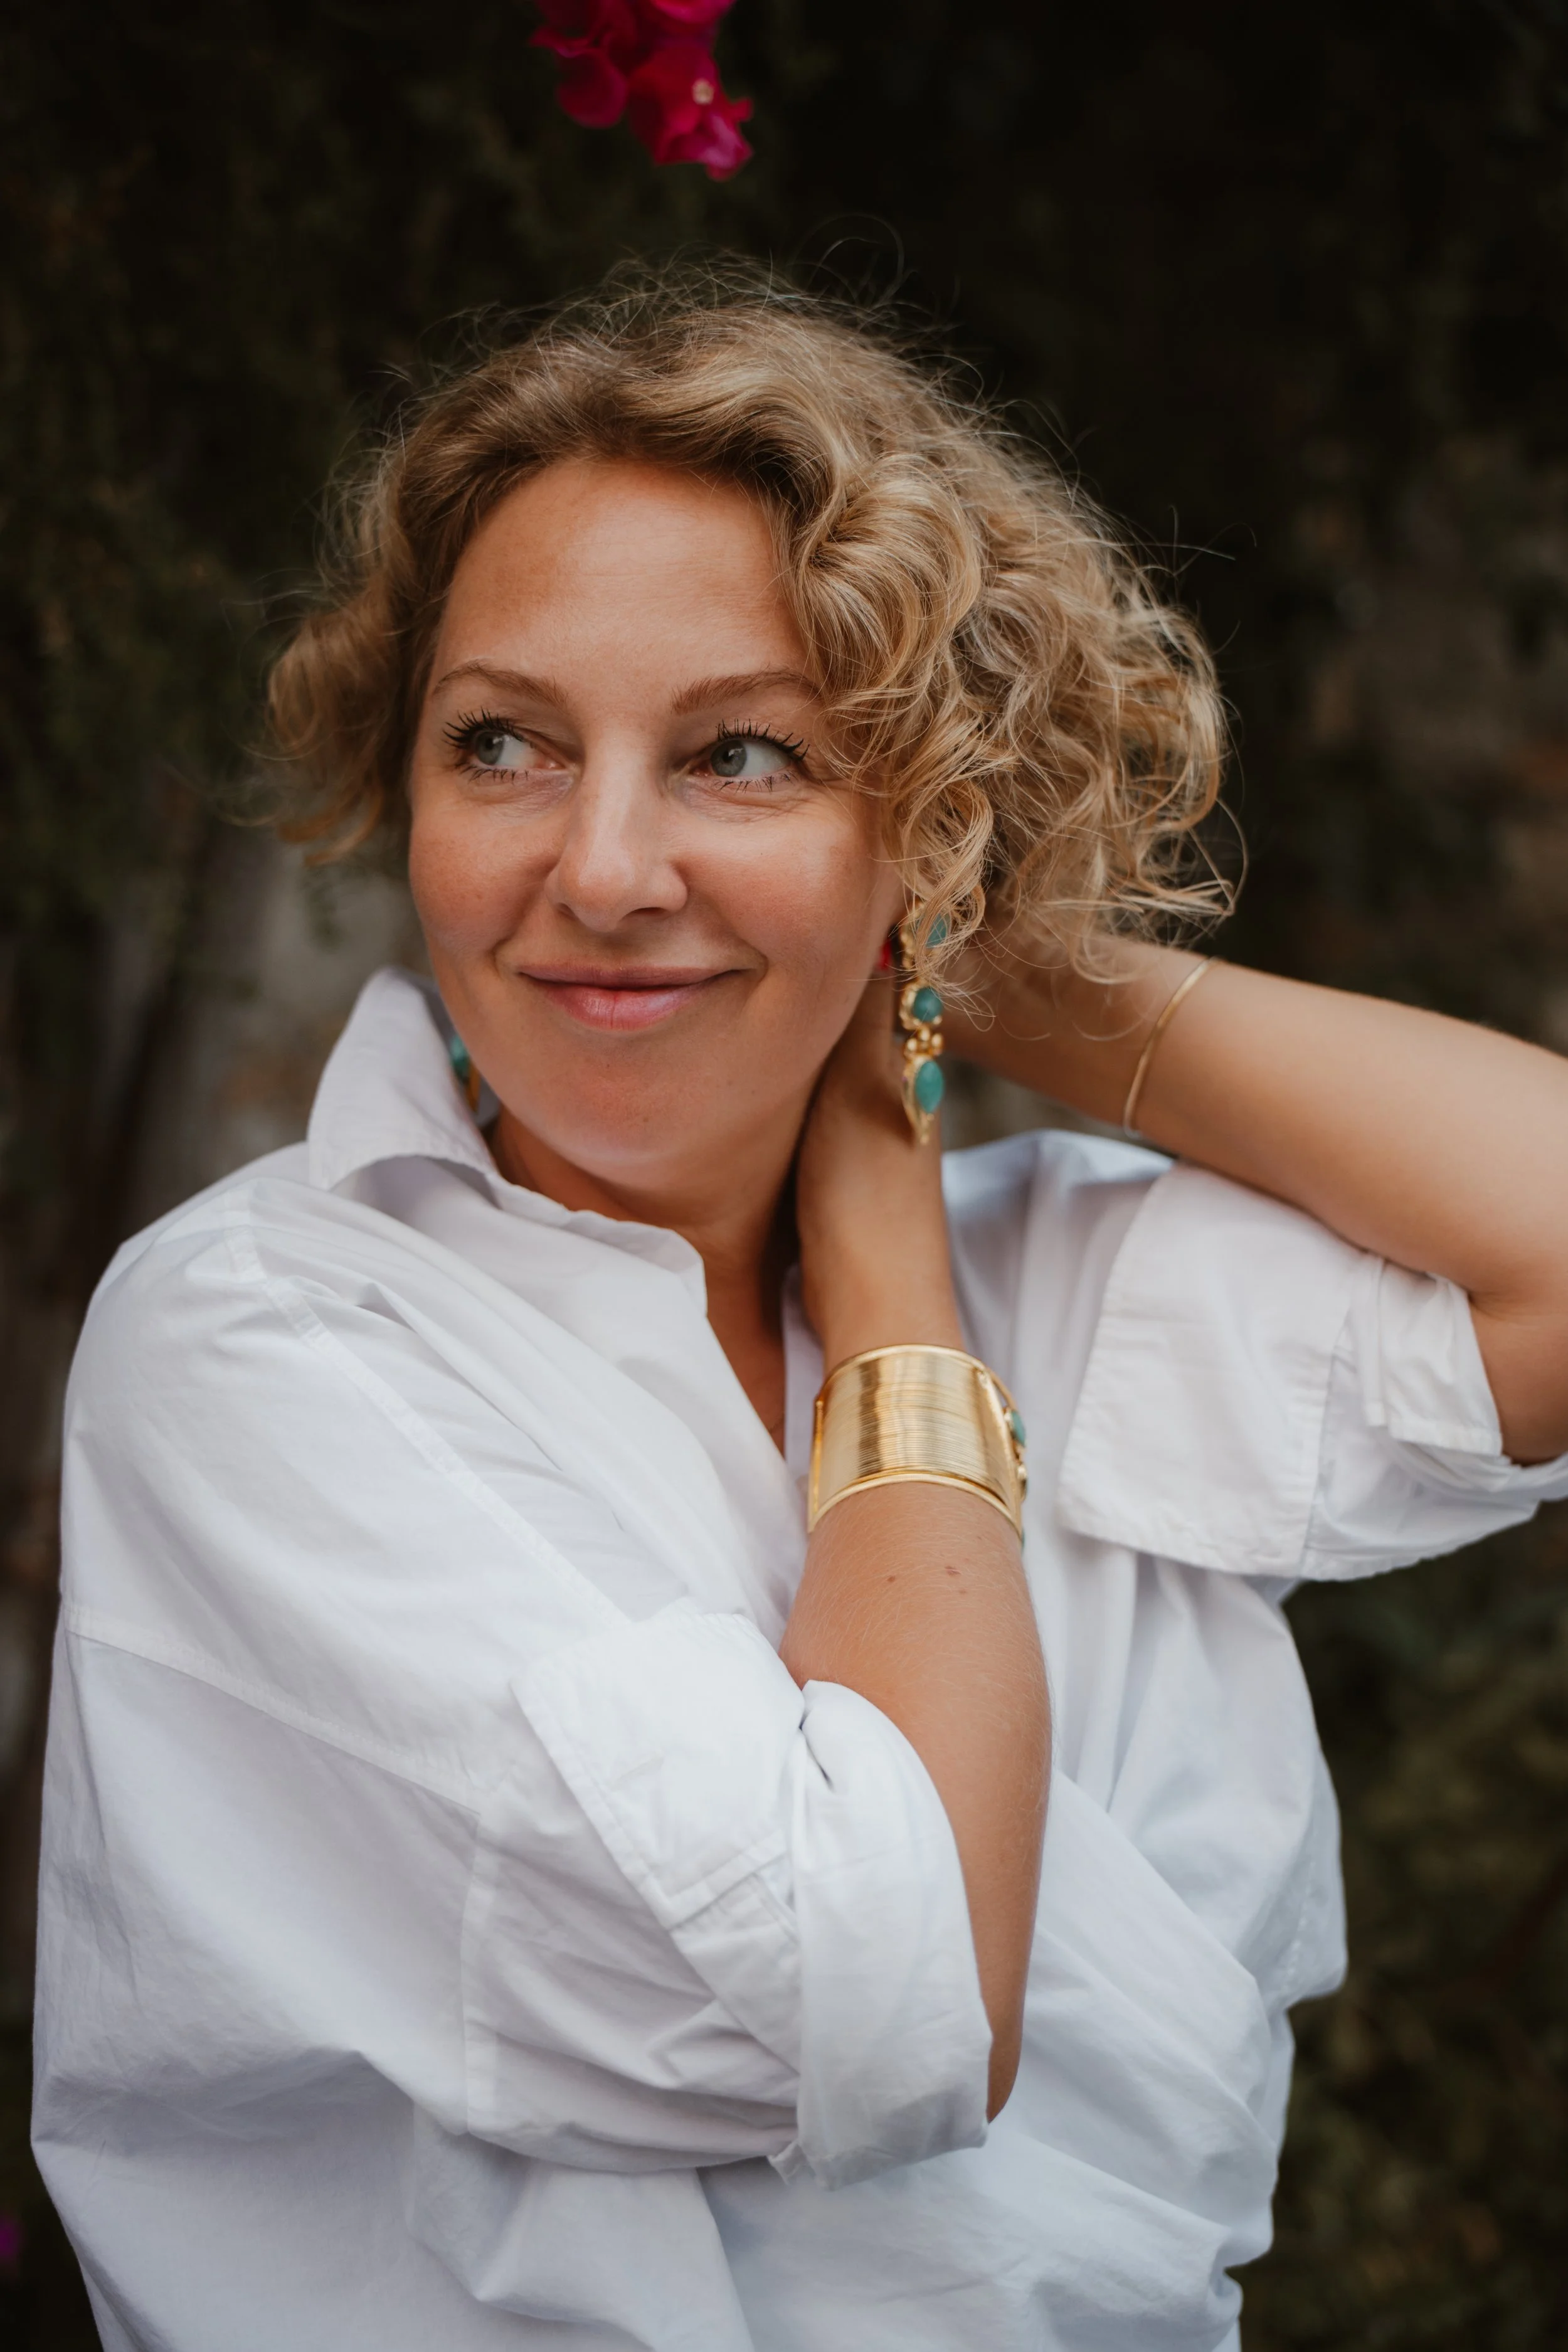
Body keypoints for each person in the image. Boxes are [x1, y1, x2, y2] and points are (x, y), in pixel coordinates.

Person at [33, 267, 1568, 2352]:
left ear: (920, 813)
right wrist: (889, 1271)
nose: (598, 862)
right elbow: (894, 1988)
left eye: (739, 753)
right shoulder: (265, 1333)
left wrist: (958, 961)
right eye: (505, 742)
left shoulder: (1074, 1272)